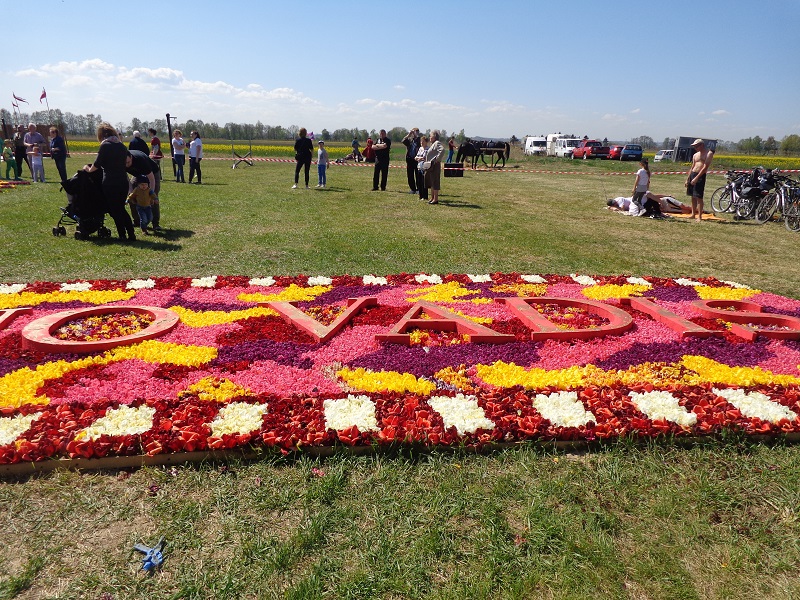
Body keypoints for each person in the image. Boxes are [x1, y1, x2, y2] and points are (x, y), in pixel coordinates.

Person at [84, 122, 136, 241]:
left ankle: (122, 235)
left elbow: (97, 163)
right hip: (123, 181)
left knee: (115, 210)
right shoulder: (121, 145)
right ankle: (131, 233)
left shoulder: (105, 146)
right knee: (121, 208)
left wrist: (88, 169)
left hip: (110, 182)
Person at [126, 149, 162, 229]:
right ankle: (137, 221)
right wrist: (131, 192)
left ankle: (155, 223)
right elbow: (126, 179)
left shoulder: (140, 160)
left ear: (131, 157)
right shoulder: (120, 161)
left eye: (128, 162)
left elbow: (151, 178)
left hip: (152, 172)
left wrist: (151, 193)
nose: (126, 165)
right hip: (137, 174)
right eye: (124, 163)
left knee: (153, 197)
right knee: (132, 197)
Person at [686, 138, 714, 221]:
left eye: (696, 146)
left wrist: (697, 178)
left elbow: (705, 167)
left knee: (698, 197)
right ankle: (693, 214)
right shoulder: (695, 155)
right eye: (694, 146)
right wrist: (688, 179)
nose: (695, 148)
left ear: (702, 145)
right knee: (692, 196)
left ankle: (699, 216)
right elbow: (692, 167)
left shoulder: (709, 153)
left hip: (700, 176)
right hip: (693, 174)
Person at [424, 130, 445, 204]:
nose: (429, 137)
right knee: (431, 181)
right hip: (430, 165)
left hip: (435, 165)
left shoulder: (437, 143)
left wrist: (438, 159)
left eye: (431, 136)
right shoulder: (432, 144)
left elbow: (442, 150)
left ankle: (435, 199)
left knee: (435, 181)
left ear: (434, 137)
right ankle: (432, 197)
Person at [402, 128, 420, 194]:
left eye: (416, 132)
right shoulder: (410, 140)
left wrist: (416, 135)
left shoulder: (419, 140)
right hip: (410, 159)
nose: (414, 134)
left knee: (418, 175)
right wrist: (409, 135)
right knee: (410, 175)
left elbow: (420, 143)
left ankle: (418, 189)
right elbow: (403, 141)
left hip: (417, 159)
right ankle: (412, 189)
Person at [415, 135, 429, 202]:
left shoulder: (428, 149)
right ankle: (420, 196)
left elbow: (426, 158)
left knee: (424, 183)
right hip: (419, 167)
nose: (421, 143)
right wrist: (420, 158)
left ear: (426, 142)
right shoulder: (420, 149)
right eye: (421, 141)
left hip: (425, 168)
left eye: (423, 141)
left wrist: (420, 158)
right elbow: (416, 157)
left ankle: (425, 196)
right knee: (419, 182)